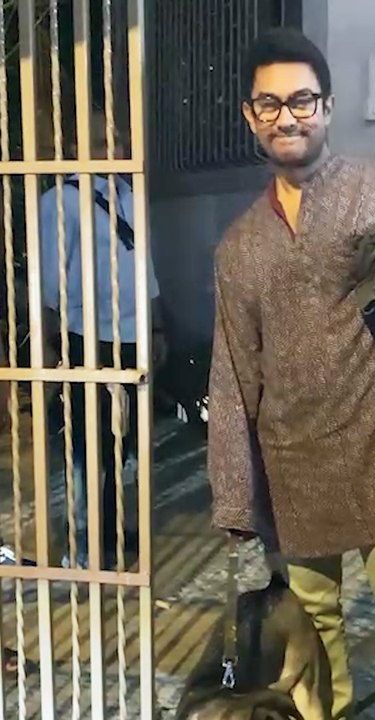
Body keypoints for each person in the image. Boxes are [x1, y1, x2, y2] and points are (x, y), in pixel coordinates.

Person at [207, 28, 375, 719]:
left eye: (301, 100)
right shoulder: (239, 245)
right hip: (291, 466)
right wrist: (236, 493)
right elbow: (233, 374)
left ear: (326, 106)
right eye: (269, 104)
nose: (286, 117)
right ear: (250, 116)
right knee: (312, 627)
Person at [35, 110, 163, 570]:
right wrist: (55, 343)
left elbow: (144, 266)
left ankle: (110, 530)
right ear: (75, 148)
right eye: (101, 141)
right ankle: (82, 543)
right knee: (85, 446)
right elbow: (50, 279)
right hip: (84, 337)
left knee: (122, 443)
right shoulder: (60, 201)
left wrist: (156, 327)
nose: (115, 148)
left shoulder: (130, 194)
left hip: (131, 338)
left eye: (118, 139)